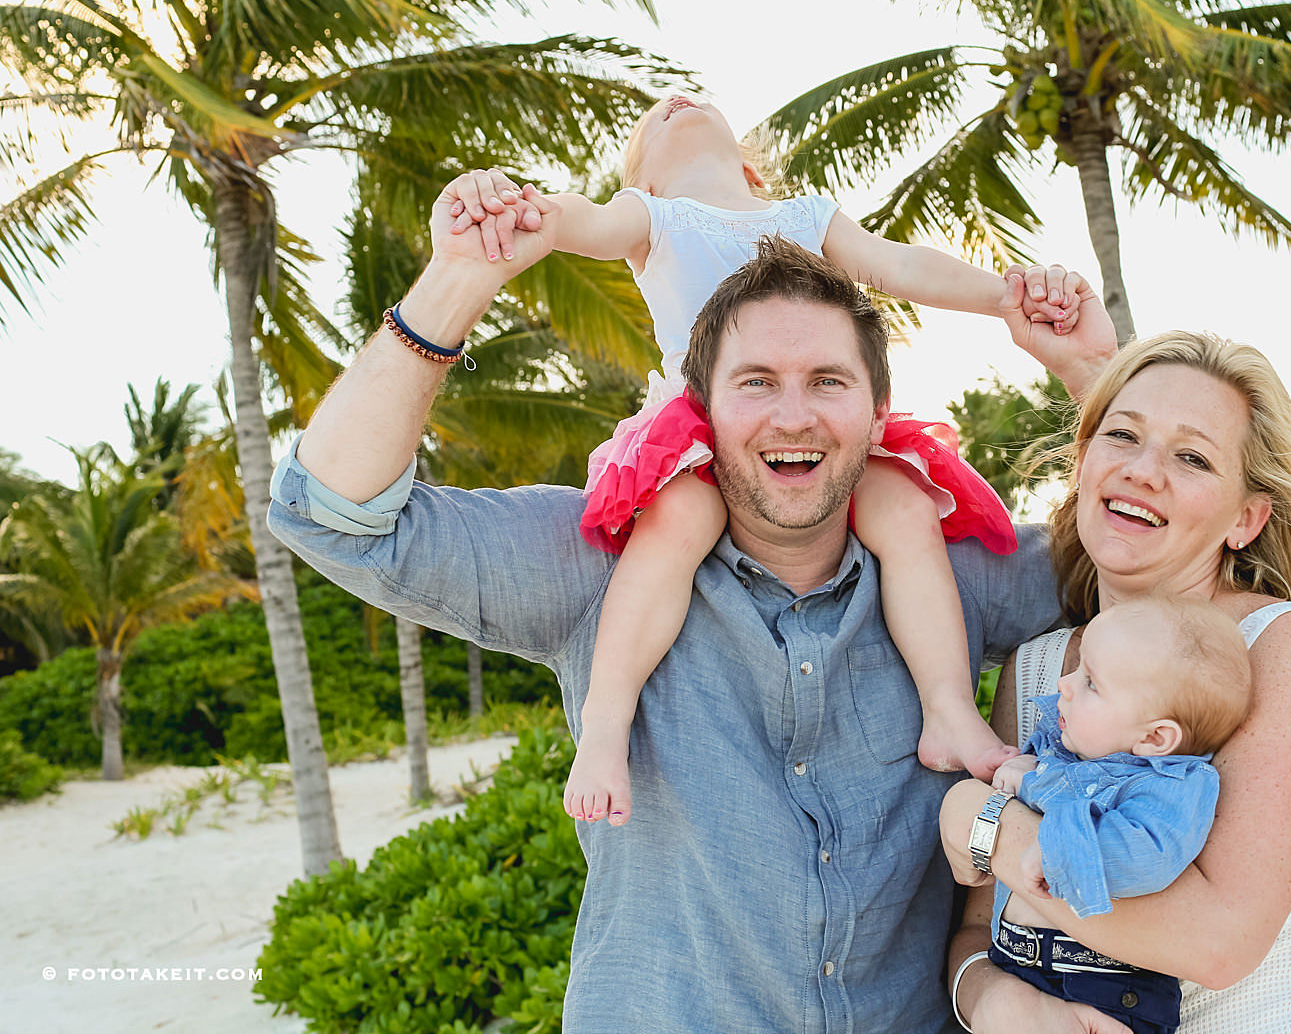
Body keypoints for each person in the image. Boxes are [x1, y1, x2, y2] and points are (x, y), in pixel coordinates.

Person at [267, 192, 1119, 1032]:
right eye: (756, 383)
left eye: (828, 380)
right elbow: (334, 514)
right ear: (699, 413)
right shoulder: (599, 564)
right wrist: (455, 283)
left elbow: (1148, 557)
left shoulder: (950, 573)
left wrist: (1090, 370)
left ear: (877, 413)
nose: (794, 415)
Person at [442, 98, 1076, 824]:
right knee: (678, 522)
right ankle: (607, 727)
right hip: (702, 421)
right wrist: (522, 208)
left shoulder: (808, 216)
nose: (673, 102)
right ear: (643, 179)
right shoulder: (651, 216)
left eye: (689, 100)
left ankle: (948, 709)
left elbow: (898, 264)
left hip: (805, 411)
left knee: (904, 507)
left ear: (749, 165)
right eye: (654, 121)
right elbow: (577, 221)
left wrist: (1007, 297)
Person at [938, 331, 1291, 1033]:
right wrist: (993, 999)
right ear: (1085, 461)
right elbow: (981, 926)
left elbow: (1215, 939)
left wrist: (977, 820)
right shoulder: (1039, 668)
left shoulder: (1284, 645)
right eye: (1123, 435)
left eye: (1191, 456)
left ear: (1246, 518)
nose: (1142, 470)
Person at [977, 595, 1252, 1034]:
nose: (1065, 683)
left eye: (1091, 683)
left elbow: (1147, 854)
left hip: (1106, 991)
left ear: (1156, 737)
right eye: (1078, 668)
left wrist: (1052, 846)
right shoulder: (1069, 749)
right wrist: (1024, 774)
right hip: (1017, 966)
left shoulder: (1171, 785)